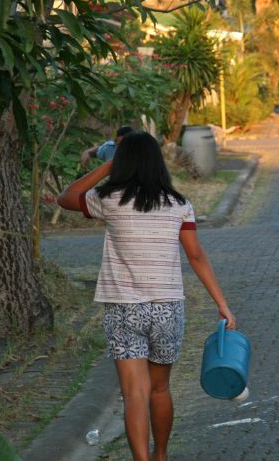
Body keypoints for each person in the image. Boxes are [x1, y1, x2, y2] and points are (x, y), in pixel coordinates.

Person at [57, 131, 235, 461]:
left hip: (124, 310)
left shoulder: (108, 200)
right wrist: (222, 304)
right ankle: (161, 455)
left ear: (123, 163)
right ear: (158, 163)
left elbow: (67, 196)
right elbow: (196, 256)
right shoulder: (179, 205)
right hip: (167, 309)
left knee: (134, 394)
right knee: (159, 388)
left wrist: (107, 167)